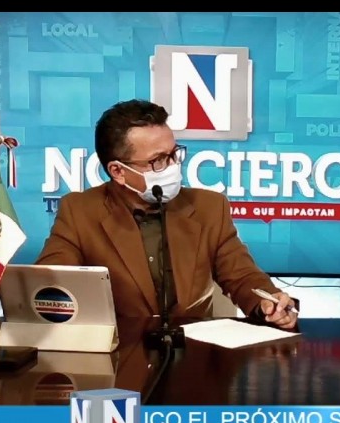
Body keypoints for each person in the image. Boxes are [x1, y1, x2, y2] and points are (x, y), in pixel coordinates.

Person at [35, 99, 297, 329]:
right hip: (118, 354)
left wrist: (269, 302)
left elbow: (241, 275)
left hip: (194, 354)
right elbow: (49, 284)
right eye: (158, 160)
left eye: (174, 154)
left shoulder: (208, 208)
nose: (172, 166)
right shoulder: (80, 211)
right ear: (118, 171)